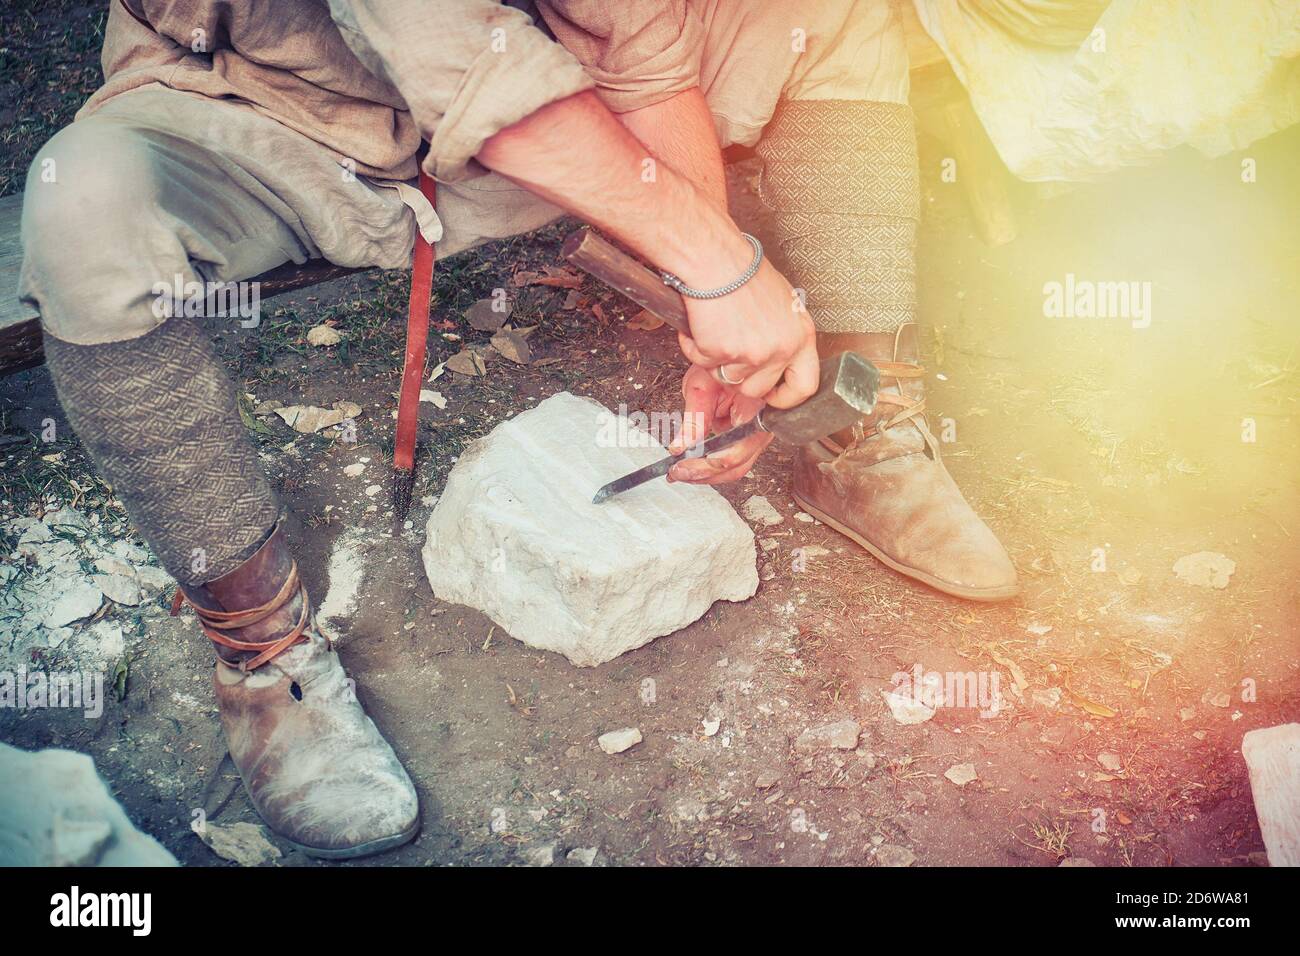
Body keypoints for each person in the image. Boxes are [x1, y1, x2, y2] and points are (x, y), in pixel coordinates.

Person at [19, 0, 1015, 858]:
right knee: (87, 205)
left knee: (826, 14)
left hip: (522, 110)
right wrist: (725, 268)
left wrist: (710, 319)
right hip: (265, 113)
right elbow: (448, 45)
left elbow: (640, 46)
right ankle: (261, 652)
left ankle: (857, 418)